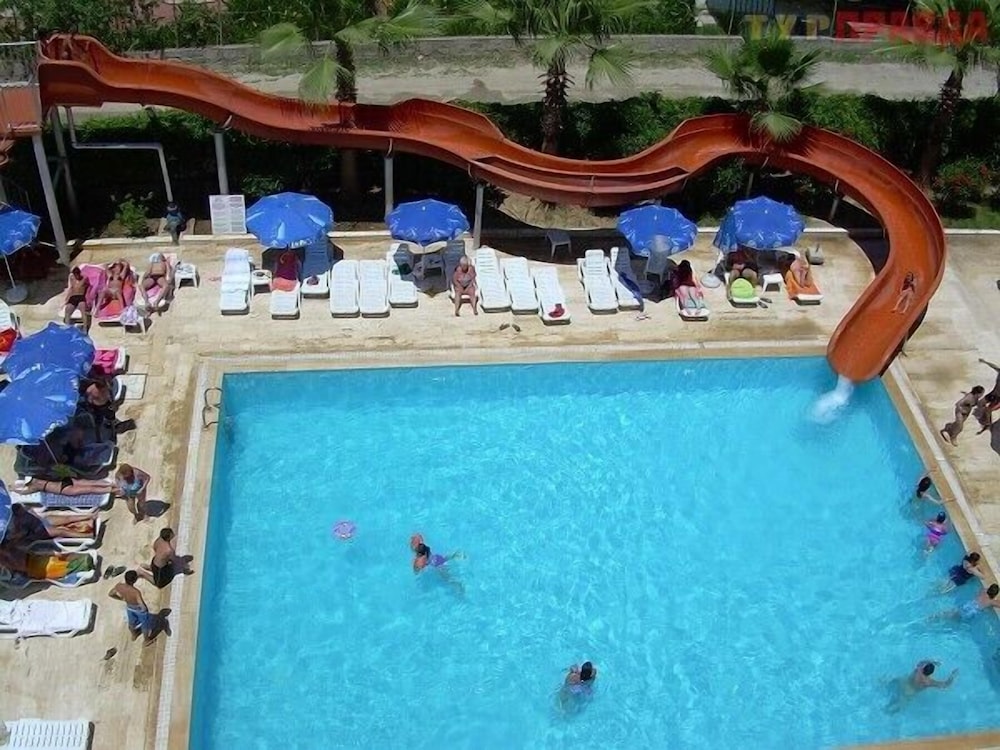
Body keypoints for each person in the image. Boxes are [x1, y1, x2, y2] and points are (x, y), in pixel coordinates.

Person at [4, 505, 97, 546]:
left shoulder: (12, 510)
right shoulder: (8, 531)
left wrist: (33, 514)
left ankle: (90, 516)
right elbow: (18, 537)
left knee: (67, 518)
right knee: (62, 531)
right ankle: (88, 535)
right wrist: (19, 530)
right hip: (37, 531)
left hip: (40, 520)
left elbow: (26, 509)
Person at [885, 660, 957, 713]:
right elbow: (945, 685)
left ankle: (883, 686)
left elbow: (922, 661)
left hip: (903, 683)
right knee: (898, 706)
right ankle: (888, 712)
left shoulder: (918, 670)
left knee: (893, 687)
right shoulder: (928, 682)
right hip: (909, 693)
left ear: (924, 668)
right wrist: (953, 675)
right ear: (931, 673)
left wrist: (933, 661)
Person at [109, 570, 156, 645]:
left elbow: (111, 594)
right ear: (134, 580)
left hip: (129, 608)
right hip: (138, 609)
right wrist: (145, 611)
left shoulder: (119, 586)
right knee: (145, 625)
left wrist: (121, 598)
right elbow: (141, 605)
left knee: (131, 622)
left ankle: (134, 635)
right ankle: (146, 640)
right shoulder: (136, 592)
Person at [0, 546, 94, 580]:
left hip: (33, 561)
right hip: (32, 565)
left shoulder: (7, 554)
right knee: (57, 565)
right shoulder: (6, 558)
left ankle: (81, 566)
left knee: (57, 562)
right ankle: (81, 567)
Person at [934, 583, 1000, 621]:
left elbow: (985, 589)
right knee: (957, 619)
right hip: (973, 610)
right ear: (995, 594)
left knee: (953, 613)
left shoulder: (983, 591)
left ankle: (936, 616)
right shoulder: (991, 601)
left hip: (969, 604)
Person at [17, 476, 112, 496]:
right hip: (64, 480)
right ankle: (112, 485)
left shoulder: (34, 487)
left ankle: (111, 489)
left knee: (90, 489)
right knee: (92, 483)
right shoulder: (38, 476)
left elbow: (23, 492)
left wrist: (13, 489)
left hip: (63, 489)